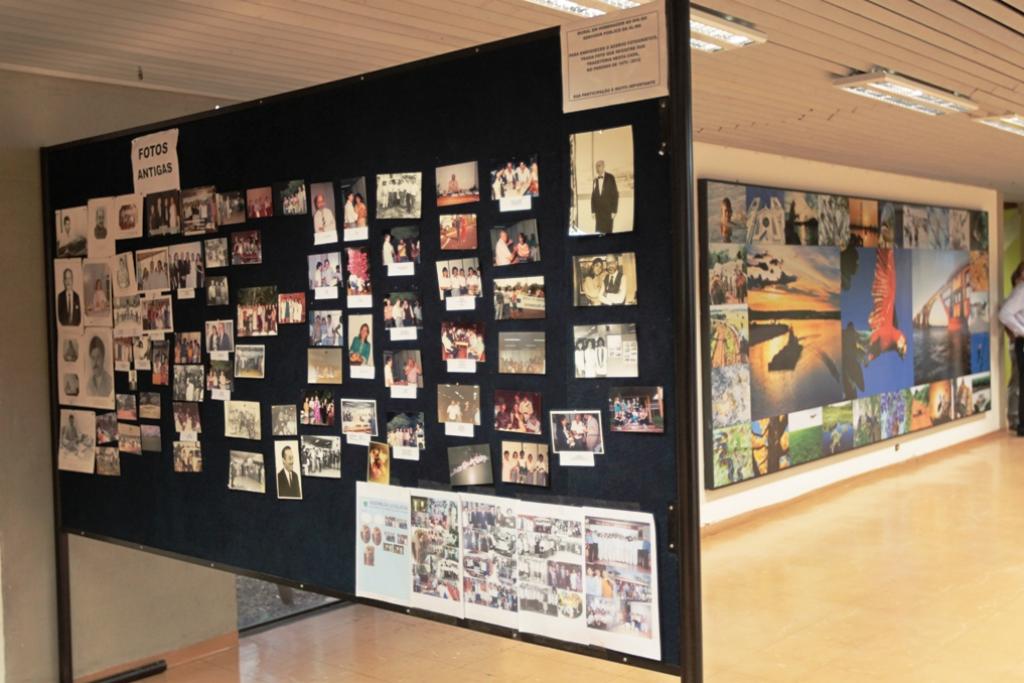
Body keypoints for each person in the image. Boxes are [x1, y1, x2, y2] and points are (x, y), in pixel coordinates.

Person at [999, 262, 1024, 436]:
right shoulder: (1020, 291)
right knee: (1018, 383)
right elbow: (1004, 314)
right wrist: (1021, 331)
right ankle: (1019, 423)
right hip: (1020, 342)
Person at [591, 160, 619, 235]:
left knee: (608, 232)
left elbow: (615, 194)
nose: (597, 168)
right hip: (598, 212)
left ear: (603, 167)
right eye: (596, 166)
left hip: (608, 211)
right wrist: (593, 211)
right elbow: (593, 196)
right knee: (599, 232)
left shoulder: (610, 177)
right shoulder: (595, 180)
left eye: (599, 166)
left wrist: (614, 211)